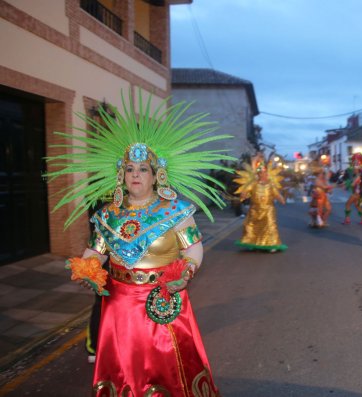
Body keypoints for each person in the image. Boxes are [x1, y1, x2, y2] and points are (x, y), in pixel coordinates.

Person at [46, 91, 226, 396]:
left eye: (143, 169)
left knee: (167, 363)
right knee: (124, 364)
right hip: (119, 303)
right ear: (121, 175)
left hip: (163, 297)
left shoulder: (175, 211)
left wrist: (187, 271)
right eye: (129, 169)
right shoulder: (108, 215)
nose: (135, 174)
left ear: (156, 175)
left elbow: (193, 248)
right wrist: (87, 267)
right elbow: (96, 251)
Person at [234, 154, 287, 252]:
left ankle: (272, 244)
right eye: (262, 174)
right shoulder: (253, 183)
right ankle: (251, 242)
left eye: (265, 173)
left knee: (270, 226)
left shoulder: (271, 184)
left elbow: (276, 194)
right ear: (259, 175)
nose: (264, 175)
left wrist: (281, 199)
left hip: (268, 209)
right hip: (255, 209)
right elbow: (245, 191)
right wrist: (243, 195)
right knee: (250, 226)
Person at [342, 153, 362, 225]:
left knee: (347, 204)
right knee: (357, 205)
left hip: (356, 193)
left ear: (357, 169)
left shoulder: (358, 176)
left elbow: (353, 184)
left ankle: (347, 219)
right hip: (358, 193)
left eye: (354, 168)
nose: (353, 169)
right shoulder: (358, 175)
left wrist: (346, 185)